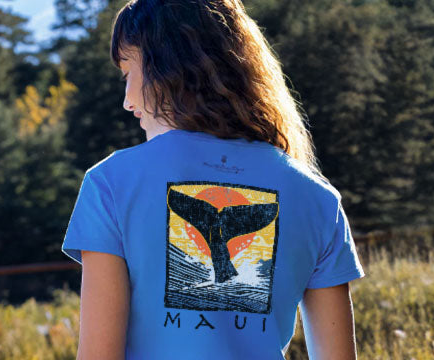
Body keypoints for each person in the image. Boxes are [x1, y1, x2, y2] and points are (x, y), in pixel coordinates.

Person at [60, 0, 361, 358]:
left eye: (128, 75)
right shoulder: (317, 198)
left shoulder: (111, 183)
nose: (127, 101)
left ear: (167, 67)